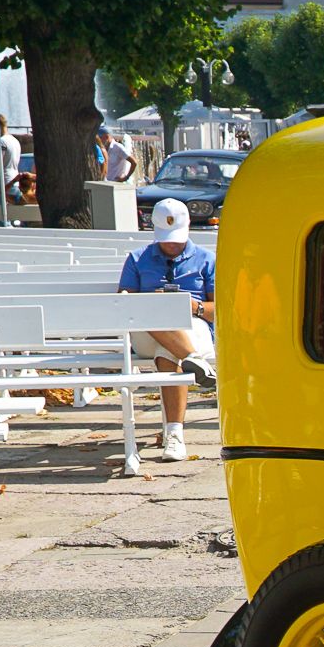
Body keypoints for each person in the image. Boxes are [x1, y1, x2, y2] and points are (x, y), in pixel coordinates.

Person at [118, 198, 216, 462]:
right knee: (150, 307)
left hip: (194, 328)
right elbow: (122, 304)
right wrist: (151, 303)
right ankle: (194, 361)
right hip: (146, 331)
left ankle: (174, 434)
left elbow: (220, 309)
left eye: (177, 237)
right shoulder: (138, 259)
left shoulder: (207, 259)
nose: (172, 244)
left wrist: (192, 306)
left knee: (168, 352)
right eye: (167, 238)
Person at [0, 116, 20, 201]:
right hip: (15, 181)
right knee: (13, 213)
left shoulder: (1, 141)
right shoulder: (15, 140)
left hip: (3, 182)